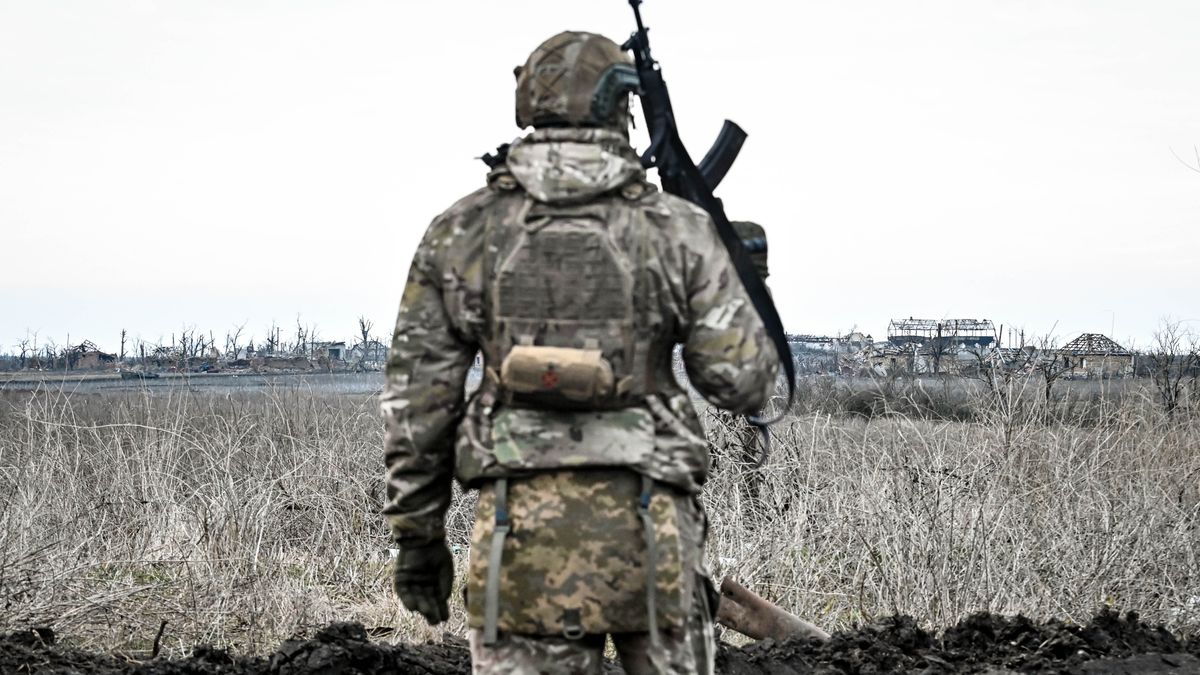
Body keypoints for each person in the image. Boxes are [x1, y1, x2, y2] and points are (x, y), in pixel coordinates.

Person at [380, 30, 779, 675]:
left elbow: (417, 407)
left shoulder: (461, 231)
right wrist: (747, 283)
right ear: (622, 105)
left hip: (517, 539)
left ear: (529, 104)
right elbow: (741, 383)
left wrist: (418, 540)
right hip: (654, 539)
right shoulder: (677, 229)